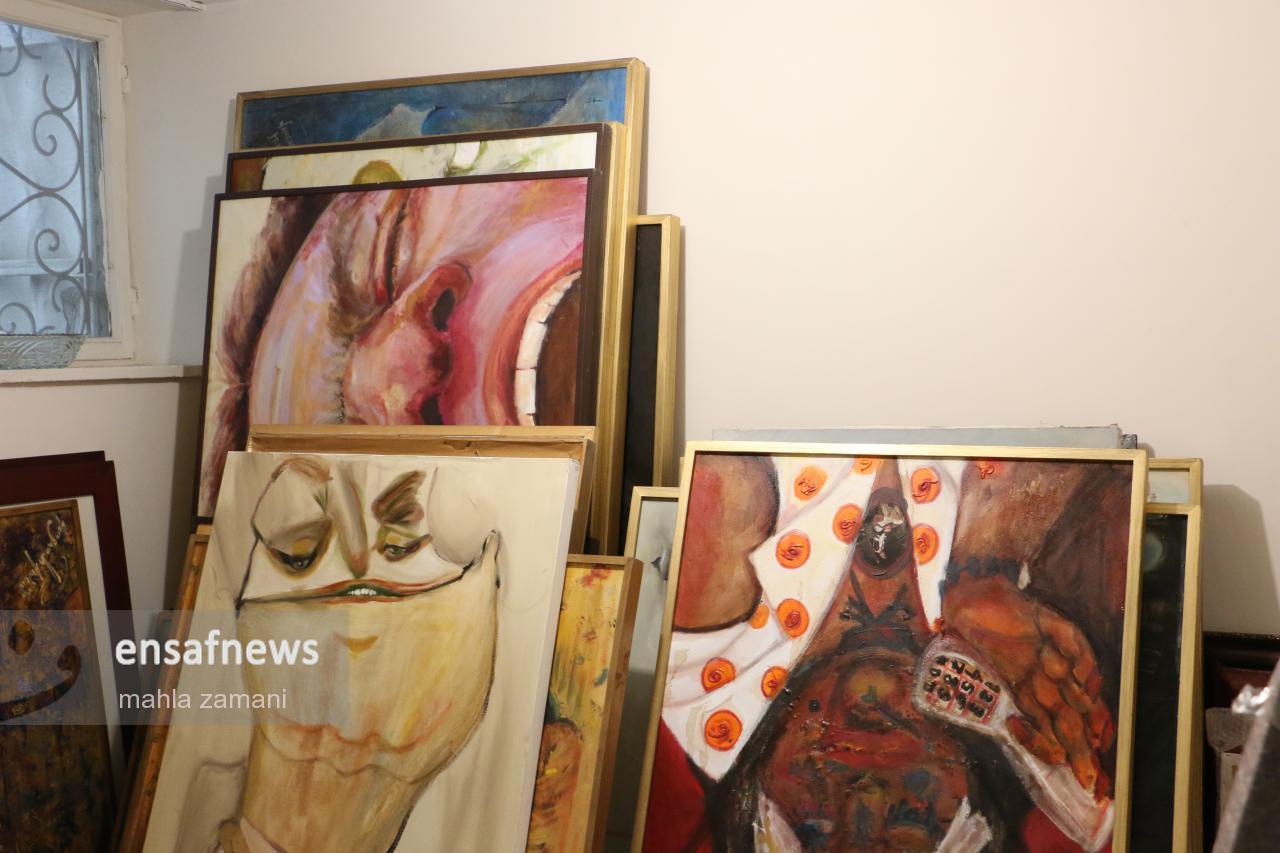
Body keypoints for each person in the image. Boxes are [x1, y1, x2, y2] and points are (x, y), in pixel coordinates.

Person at [644, 453, 1132, 852]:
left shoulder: (708, 663)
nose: (867, 791)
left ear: (753, 791)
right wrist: (985, 569)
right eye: (911, 821)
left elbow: (719, 479)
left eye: (813, 826)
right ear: (977, 790)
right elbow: (1070, 451)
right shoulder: (1028, 651)